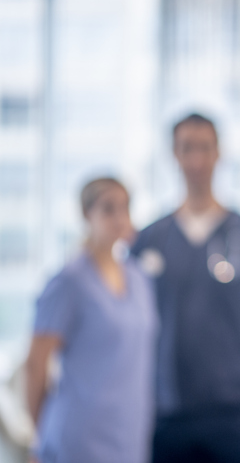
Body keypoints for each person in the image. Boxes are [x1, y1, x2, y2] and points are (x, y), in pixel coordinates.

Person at [131, 113, 240, 463]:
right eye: (187, 148)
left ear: (219, 153)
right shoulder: (149, 240)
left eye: (204, 148)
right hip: (166, 412)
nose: (196, 159)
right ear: (174, 155)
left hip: (234, 413)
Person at [25, 177, 158, 463]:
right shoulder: (70, 282)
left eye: (125, 208)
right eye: (108, 209)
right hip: (79, 436)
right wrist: (39, 436)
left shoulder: (138, 278)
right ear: (87, 214)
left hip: (129, 434)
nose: (119, 218)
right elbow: (36, 364)